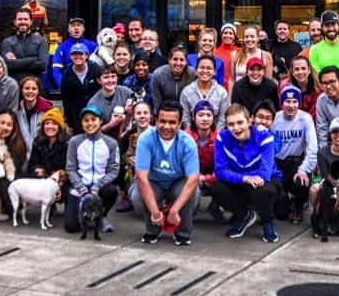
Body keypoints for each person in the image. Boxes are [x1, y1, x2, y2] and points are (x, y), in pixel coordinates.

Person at [131, 101, 201, 245]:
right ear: (155, 121)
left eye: (172, 122)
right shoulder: (145, 139)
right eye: (162, 121)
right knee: (137, 195)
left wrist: (174, 211)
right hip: (154, 182)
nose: (166, 126)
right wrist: (156, 213)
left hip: (178, 182)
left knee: (192, 193)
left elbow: (193, 179)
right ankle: (153, 230)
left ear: (179, 123)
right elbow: (142, 178)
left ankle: (182, 232)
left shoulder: (188, 142)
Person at [211, 104, 282, 243]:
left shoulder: (265, 137)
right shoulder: (222, 138)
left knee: (262, 189)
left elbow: (265, 173)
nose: (236, 128)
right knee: (217, 187)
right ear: (226, 124)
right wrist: (244, 178)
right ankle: (244, 215)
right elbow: (220, 170)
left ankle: (268, 222)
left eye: (240, 122)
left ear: (249, 121)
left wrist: (247, 177)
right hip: (242, 180)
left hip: (265, 182)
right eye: (231, 124)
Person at [65, 105, 120, 234]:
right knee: (71, 226)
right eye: (86, 120)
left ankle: (101, 215)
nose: (90, 123)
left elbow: (114, 170)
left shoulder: (111, 143)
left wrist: (97, 186)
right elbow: (70, 168)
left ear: (100, 121)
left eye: (93, 119)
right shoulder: (74, 142)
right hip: (80, 187)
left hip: (100, 187)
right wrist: (81, 188)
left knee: (112, 190)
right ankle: (87, 214)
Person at [271, 86, 317, 224]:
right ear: (282, 103)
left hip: (296, 162)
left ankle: (298, 206)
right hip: (278, 163)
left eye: (295, 102)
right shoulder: (275, 118)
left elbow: (313, 148)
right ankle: (284, 199)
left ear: (299, 103)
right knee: (281, 214)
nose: (291, 105)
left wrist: (304, 169)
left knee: (302, 182)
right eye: (288, 101)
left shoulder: (305, 119)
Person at [183, 99, 222, 222]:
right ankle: (189, 210)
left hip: (212, 174)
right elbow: (182, 164)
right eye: (201, 115)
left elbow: (223, 166)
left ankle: (215, 207)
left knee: (226, 181)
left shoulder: (221, 137)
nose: (205, 119)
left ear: (213, 118)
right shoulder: (185, 137)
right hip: (192, 174)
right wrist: (196, 177)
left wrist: (207, 178)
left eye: (208, 115)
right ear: (194, 117)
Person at [180, 54, 229, 129]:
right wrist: (192, 136)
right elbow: (185, 118)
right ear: (196, 70)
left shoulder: (222, 93)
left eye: (209, 68)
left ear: (214, 71)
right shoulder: (187, 92)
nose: (205, 71)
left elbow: (222, 119)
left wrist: (215, 136)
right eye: (202, 68)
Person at [1, 8, 49, 83]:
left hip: (34, 87)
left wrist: (17, 63)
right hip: (14, 86)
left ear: (31, 22)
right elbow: (9, 65)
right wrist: (34, 59)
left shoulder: (41, 41)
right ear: (14, 22)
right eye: (20, 19)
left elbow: (43, 65)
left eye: (26, 19)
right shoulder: (7, 42)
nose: (23, 22)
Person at [60, 43, 100, 133]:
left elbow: (100, 91)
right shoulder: (67, 73)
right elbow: (66, 98)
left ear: (86, 55)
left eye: (81, 54)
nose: (78, 57)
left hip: (95, 109)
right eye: (74, 54)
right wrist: (69, 121)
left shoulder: (95, 69)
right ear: (70, 56)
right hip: (76, 113)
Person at [228, 58, 278, 128]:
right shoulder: (238, 87)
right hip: (245, 124)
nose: (255, 73)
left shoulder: (271, 86)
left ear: (263, 72)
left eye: (259, 70)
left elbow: (275, 109)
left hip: (265, 122)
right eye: (252, 69)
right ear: (247, 72)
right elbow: (236, 110)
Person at [51, 17, 97, 91]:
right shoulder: (62, 47)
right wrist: (62, 86)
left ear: (83, 28)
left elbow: (99, 69)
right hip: (69, 87)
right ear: (69, 29)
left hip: (89, 88)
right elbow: (56, 70)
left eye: (79, 25)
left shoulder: (93, 46)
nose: (76, 28)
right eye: (73, 26)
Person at [86, 65, 134, 135]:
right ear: (99, 80)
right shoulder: (93, 103)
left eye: (113, 76)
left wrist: (131, 111)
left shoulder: (126, 92)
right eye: (106, 77)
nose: (110, 80)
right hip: (105, 140)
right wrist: (111, 124)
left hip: (127, 136)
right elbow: (93, 131)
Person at [308, 11, 339, 76]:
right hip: (325, 86)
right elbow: (317, 78)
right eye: (327, 25)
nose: (331, 28)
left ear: (338, 26)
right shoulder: (314, 50)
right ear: (322, 28)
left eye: (333, 24)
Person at [16, 76, 53, 157]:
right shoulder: (16, 110)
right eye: (27, 88)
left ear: (38, 91)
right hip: (22, 155)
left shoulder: (48, 109)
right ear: (21, 90)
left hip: (43, 154)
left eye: (34, 89)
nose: (30, 91)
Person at [27, 108, 69, 179]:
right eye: (47, 123)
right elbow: (32, 164)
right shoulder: (37, 141)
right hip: (42, 180)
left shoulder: (68, 143)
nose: (50, 126)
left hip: (61, 182)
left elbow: (70, 169)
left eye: (54, 123)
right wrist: (37, 169)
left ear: (60, 127)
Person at [151, 46, 195, 112]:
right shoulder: (158, 74)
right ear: (169, 60)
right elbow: (157, 103)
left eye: (181, 60)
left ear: (186, 62)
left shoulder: (193, 74)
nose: (178, 63)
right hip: (165, 112)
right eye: (175, 59)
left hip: (186, 113)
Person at [278, 56, 321, 122]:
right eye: (297, 69)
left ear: (309, 70)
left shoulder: (318, 88)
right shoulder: (284, 87)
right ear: (292, 72)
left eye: (303, 68)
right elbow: (283, 110)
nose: (300, 72)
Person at [0, 109, 29, 179]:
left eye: (9, 125)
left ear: (13, 128)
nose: (4, 127)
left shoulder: (17, 146)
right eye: (2, 123)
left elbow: (7, 172)